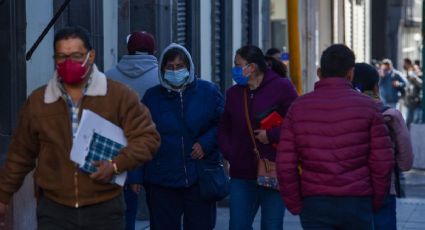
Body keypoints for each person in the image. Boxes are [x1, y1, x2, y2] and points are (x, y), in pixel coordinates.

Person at [0, 26, 160, 229]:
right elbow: (20, 155)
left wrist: (116, 164)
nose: (68, 63)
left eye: (76, 55)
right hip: (54, 211)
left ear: (90, 56)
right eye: (61, 56)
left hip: (104, 209)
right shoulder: (39, 102)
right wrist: (3, 196)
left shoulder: (119, 96)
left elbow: (148, 138)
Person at [276, 44, 394, 229]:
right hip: (357, 200)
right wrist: (375, 199)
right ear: (350, 73)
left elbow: (285, 163)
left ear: (319, 72)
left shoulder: (299, 107)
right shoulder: (369, 107)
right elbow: (382, 162)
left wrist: (295, 203)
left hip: (314, 200)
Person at [142, 43, 224, 230]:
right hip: (162, 179)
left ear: (189, 67)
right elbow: (140, 135)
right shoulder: (152, 97)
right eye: (170, 67)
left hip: (199, 177)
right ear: (162, 69)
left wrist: (206, 143)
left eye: (179, 66)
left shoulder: (208, 92)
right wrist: (136, 177)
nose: (175, 71)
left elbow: (224, 124)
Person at [218, 45, 298, 230]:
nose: (235, 70)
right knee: (238, 225)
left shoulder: (282, 87)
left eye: (238, 65)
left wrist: (271, 135)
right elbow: (224, 127)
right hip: (242, 173)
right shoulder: (234, 93)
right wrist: (231, 153)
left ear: (252, 67)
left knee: (271, 225)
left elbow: (297, 122)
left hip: (273, 170)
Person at [105, 30, 160, 230]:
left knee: (126, 207)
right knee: (160, 207)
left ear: (128, 49)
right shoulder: (161, 77)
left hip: (120, 148)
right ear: (154, 50)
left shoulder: (109, 76)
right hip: (156, 148)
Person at [353, 62, 413, 230]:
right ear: (376, 87)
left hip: (347, 192)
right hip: (385, 189)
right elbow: (406, 162)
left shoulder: (337, 114)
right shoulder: (391, 116)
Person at [403, 58, 423, 128]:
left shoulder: (419, 77)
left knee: (413, 121)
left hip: (415, 102)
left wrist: (415, 79)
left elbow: (421, 85)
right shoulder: (408, 76)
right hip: (409, 102)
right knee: (408, 121)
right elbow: (408, 88)